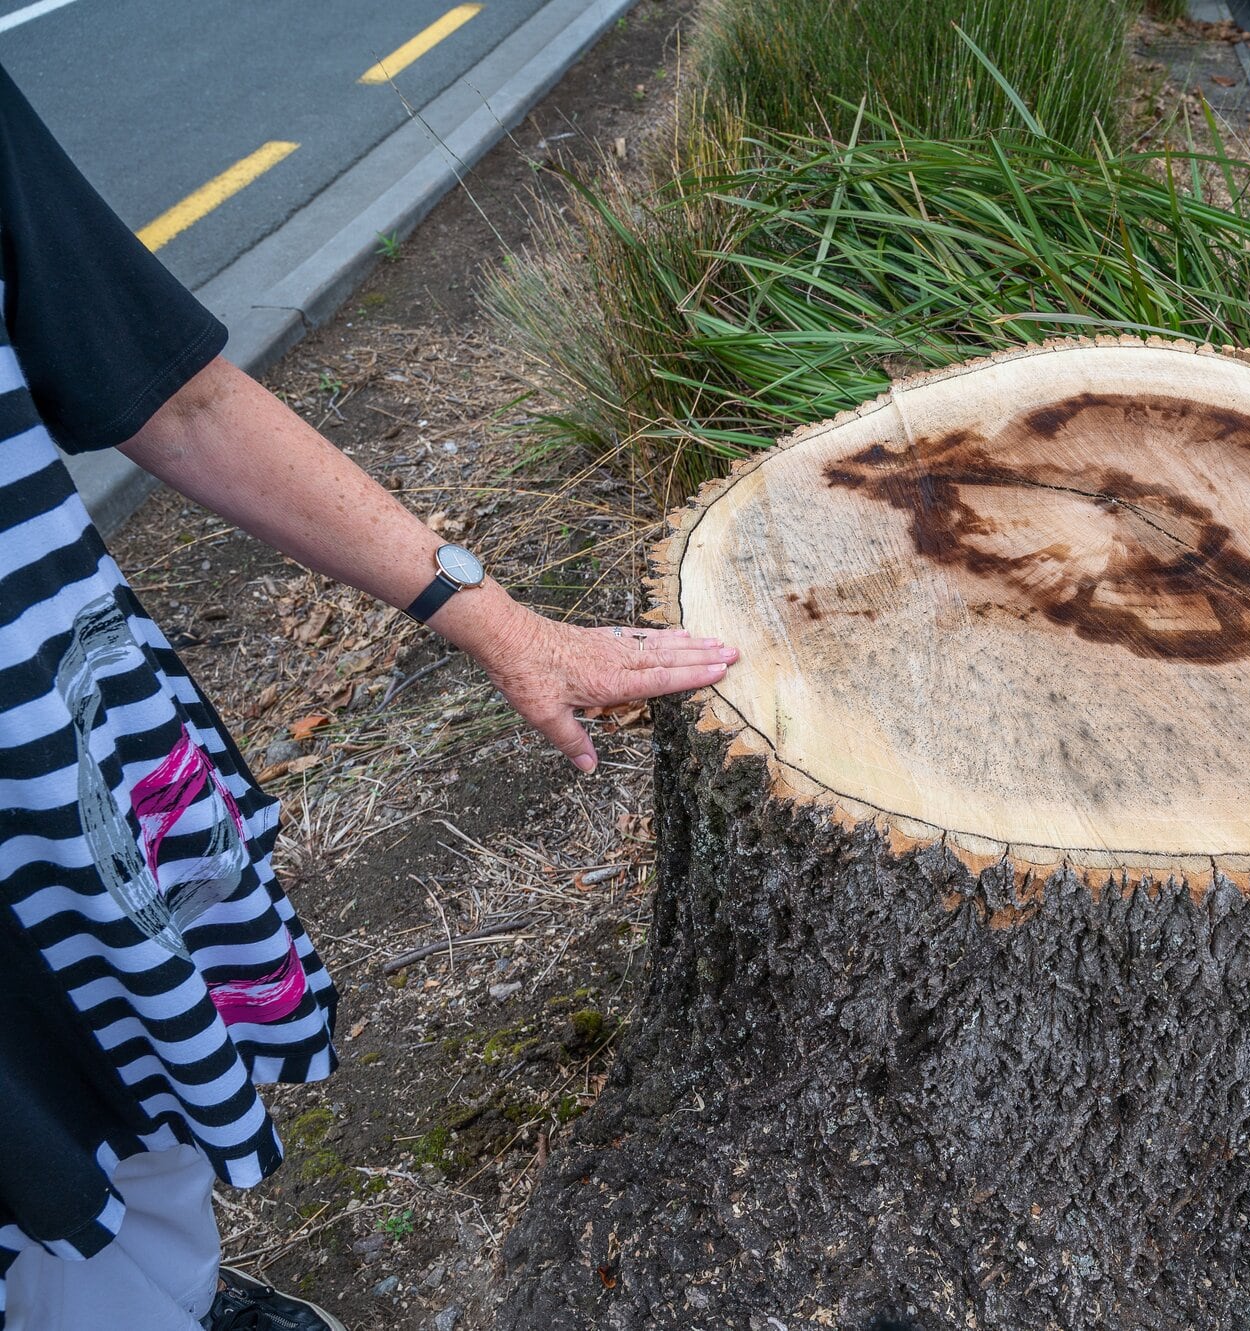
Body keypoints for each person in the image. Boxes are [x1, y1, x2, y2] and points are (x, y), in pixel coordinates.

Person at [0, 67, 736, 1330]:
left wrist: (498, 623)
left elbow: (174, 395)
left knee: (132, 1089)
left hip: (56, 765)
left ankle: (156, 1292)